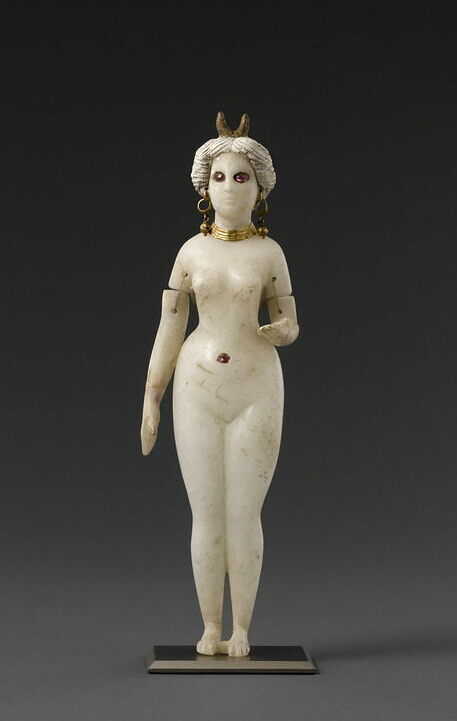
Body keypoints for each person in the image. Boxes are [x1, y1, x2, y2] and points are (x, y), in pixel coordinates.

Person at [141, 112, 299, 657]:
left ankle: (243, 630)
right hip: (198, 385)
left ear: (260, 188)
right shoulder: (191, 252)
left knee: (245, 514)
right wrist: (152, 396)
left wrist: (282, 331)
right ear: (203, 189)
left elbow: (289, 320)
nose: (230, 187)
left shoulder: (270, 253)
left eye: (241, 177)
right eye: (219, 177)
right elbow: (169, 326)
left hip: (257, 386)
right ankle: (210, 626)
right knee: (206, 513)